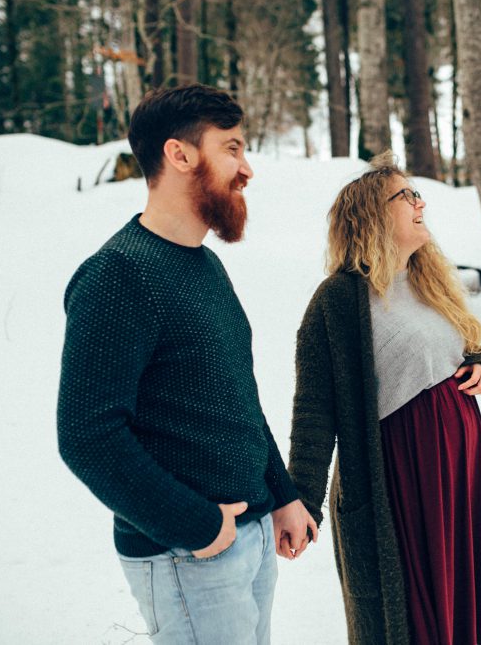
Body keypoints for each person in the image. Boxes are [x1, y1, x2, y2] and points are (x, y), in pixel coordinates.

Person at [57, 84, 316, 645]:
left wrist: (282, 493)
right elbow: (86, 434)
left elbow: (235, 403)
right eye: (233, 149)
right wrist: (196, 526)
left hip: (241, 540)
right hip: (185, 555)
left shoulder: (204, 268)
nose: (247, 169)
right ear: (180, 155)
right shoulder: (117, 276)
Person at [287, 153, 481, 644]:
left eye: (417, 194)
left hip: (458, 474)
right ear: (371, 213)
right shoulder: (340, 299)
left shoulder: (428, 282)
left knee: (458, 607)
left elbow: (465, 347)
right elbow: (313, 409)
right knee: (412, 619)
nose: (420, 201)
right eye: (406, 195)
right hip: (402, 478)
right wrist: (300, 498)